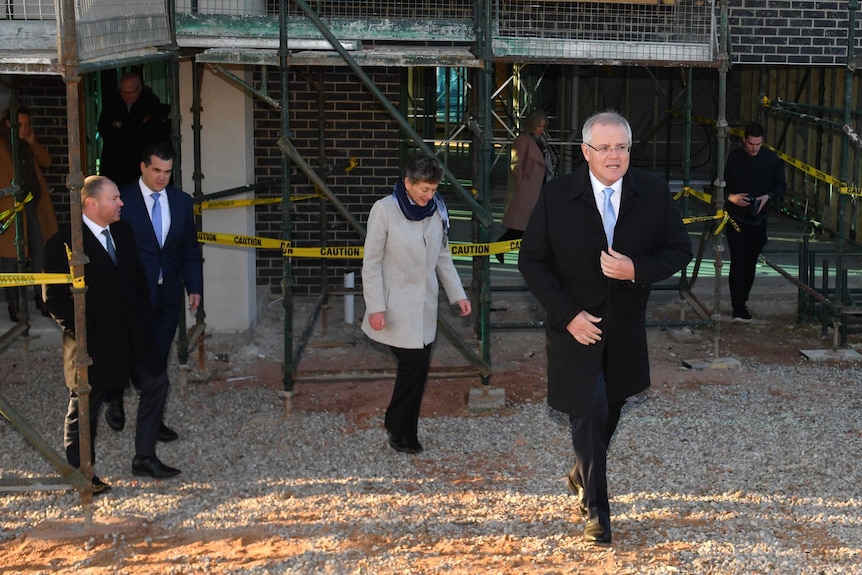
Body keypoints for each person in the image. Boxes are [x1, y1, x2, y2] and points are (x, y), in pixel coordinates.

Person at [518, 110, 692, 544]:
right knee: (588, 411)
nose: (613, 155)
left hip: (626, 328)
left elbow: (679, 250)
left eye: (621, 147)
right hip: (575, 328)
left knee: (609, 410)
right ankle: (597, 510)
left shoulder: (652, 192)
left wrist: (636, 269)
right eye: (604, 147)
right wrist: (568, 315)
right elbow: (531, 261)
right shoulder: (557, 195)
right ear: (585, 152)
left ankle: (581, 471)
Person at [43, 176, 181, 491]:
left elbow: (136, 280)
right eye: (114, 198)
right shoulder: (61, 244)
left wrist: (143, 325)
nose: (122, 203)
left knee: (157, 382)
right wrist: (85, 334)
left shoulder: (123, 231)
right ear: (92, 204)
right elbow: (53, 300)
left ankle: (144, 457)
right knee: (85, 408)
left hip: (132, 336)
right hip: (93, 344)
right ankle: (81, 474)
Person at [361, 154, 471, 454]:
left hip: (424, 309)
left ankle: (405, 431)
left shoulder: (437, 211)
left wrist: (457, 294)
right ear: (408, 183)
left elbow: (442, 257)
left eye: (434, 189)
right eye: (424, 189)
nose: (429, 196)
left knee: (417, 371)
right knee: (414, 367)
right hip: (394, 308)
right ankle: (397, 427)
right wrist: (376, 308)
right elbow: (370, 264)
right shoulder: (384, 210)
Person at [103, 143, 203, 439]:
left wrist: (194, 286)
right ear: (143, 167)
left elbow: (189, 248)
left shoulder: (182, 201)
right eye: (157, 170)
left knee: (158, 357)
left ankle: (153, 420)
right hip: (130, 291)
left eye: (168, 172)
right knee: (124, 350)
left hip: (167, 292)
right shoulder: (122, 200)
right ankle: (115, 398)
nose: (162, 177)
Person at [723, 121, 786, 322]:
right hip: (736, 219)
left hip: (759, 220)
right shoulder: (733, 158)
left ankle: (743, 302)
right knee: (738, 262)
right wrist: (731, 197)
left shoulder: (771, 160)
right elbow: (719, 184)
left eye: (758, 144)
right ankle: (738, 307)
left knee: (750, 264)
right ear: (744, 140)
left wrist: (767, 196)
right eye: (751, 144)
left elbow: (781, 186)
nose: (754, 148)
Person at [0, 105, 58, 321]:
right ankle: (13, 304)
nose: (24, 129)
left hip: (33, 204)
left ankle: (41, 299)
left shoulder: (26, 145)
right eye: (20, 125)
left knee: (39, 250)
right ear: (8, 124)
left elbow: (47, 161)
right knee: (10, 257)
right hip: (10, 207)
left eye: (27, 125)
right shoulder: (3, 144)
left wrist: (33, 142)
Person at [495, 110, 556, 263]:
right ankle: (500, 248)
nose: (541, 129)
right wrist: (521, 183)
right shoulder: (523, 140)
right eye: (538, 126)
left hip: (540, 185)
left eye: (543, 126)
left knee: (530, 225)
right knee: (520, 226)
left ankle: (519, 252)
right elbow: (516, 163)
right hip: (528, 188)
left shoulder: (542, 139)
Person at [97, 72, 171, 187]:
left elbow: (153, 133)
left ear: (140, 88)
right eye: (123, 92)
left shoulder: (150, 102)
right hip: (115, 162)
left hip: (140, 162)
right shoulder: (112, 102)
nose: (127, 96)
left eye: (131, 92)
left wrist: (123, 128)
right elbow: (104, 129)